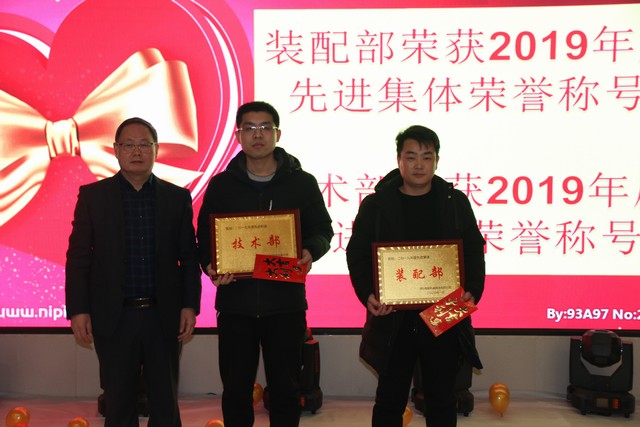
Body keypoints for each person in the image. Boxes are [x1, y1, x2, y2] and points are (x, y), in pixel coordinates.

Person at [196, 101, 333, 427]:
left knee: (286, 390)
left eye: (265, 127)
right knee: (235, 391)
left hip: (285, 304)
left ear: (277, 134)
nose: (257, 135)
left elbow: (322, 230)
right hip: (236, 305)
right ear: (238, 136)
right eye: (249, 128)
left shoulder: (301, 183)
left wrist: (310, 251)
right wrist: (211, 266)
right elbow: (205, 238)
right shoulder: (222, 185)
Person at [65, 117, 202, 427]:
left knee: (165, 403)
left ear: (156, 150)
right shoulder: (93, 197)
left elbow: (188, 257)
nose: (137, 152)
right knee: (118, 404)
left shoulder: (177, 198)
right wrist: (78, 310)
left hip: (162, 315)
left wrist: (189, 305)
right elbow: (78, 257)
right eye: (129, 145)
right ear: (116, 150)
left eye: (144, 145)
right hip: (114, 316)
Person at [346, 125, 485, 427]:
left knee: (442, 399)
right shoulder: (377, 205)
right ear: (399, 160)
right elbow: (357, 253)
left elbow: (474, 248)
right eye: (411, 157)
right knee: (389, 399)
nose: (419, 164)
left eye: (426, 157)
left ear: (437, 161)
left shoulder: (454, 202)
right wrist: (368, 294)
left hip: (445, 310)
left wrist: (472, 290)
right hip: (393, 315)